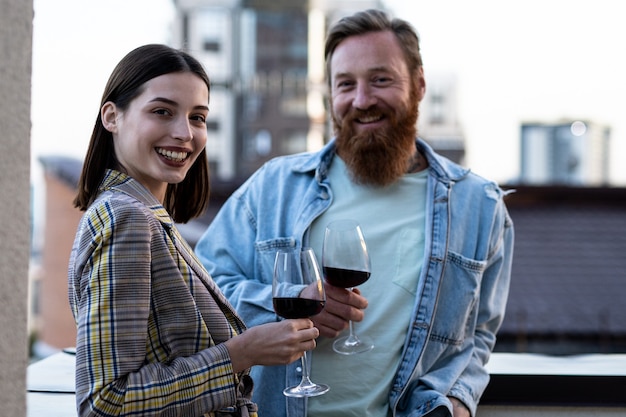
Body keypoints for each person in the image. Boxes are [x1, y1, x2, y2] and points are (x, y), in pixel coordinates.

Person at [195, 9, 514, 417]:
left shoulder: (480, 207)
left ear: (419, 86)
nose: (362, 101)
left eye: (380, 80)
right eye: (346, 84)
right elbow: (202, 290)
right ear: (330, 94)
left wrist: (455, 404)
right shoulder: (273, 186)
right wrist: (290, 302)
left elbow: (478, 339)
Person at [68, 44, 321, 417]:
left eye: (198, 117)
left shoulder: (142, 215)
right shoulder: (128, 220)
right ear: (112, 116)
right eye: (162, 112)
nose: (185, 133)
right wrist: (241, 354)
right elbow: (105, 401)